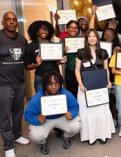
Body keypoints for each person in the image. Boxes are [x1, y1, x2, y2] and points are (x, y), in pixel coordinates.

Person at [24, 71, 80, 155]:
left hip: (62, 117)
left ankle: (66, 137)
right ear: (45, 85)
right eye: (50, 84)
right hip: (45, 120)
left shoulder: (66, 94)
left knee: (76, 126)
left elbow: (75, 107)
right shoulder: (37, 97)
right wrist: (37, 118)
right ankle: (42, 142)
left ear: (60, 84)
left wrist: (71, 113)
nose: (53, 87)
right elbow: (27, 115)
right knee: (36, 135)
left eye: (56, 83)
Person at [75, 29, 115, 144]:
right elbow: (77, 70)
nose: (92, 38)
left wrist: (108, 82)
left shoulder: (103, 52)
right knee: (88, 111)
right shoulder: (81, 52)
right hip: (85, 87)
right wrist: (80, 84)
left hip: (100, 86)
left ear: (97, 38)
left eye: (94, 36)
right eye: (89, 36)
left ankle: (102, 135)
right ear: (86, 39)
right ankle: (90, 136)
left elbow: (106, 69)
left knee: (101, 110)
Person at [0, 11, 30, 157]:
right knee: (4, 116)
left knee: (18, 112)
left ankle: (17, 136)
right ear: (3, 22)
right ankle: (8, 146)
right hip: (3, 84)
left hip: (20, 83)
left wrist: (36, 63)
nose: (11, 22)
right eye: (8, 19)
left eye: (14, 19)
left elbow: (26, 63)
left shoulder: (22, 39)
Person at [24, 20, 67, 92]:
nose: (45, 32)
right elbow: (27, 66)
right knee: (41, 100)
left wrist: (62, 60)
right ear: (36, 31)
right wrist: (37, 64)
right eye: (42, 29)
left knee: (56, 100)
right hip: (40, 78)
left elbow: (57, 63)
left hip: (55, 77)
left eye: (46, 29)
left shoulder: (55, 45)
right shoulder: (30, 47)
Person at [100, 28, 120, 127]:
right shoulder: (99, 48)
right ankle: (106, 120)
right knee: (104, 99)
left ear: (114, 36)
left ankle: (115, 118)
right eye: (105, 34)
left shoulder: (118, 47)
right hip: (102, 76)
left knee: (113, 99)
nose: (108, 36)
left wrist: (115, 53)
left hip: (114, 77)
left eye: (110, 34)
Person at [63, 20, 80, 98]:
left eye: (76, 28)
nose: (73, 30)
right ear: (66, 29)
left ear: (78, 30)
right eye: (71, 27)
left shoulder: (82, 41)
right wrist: (62, 52)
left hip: (82, 71)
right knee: (72, 94)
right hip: (70, 71)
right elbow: (58, 60)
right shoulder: (63, 42)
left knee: (82, 93)